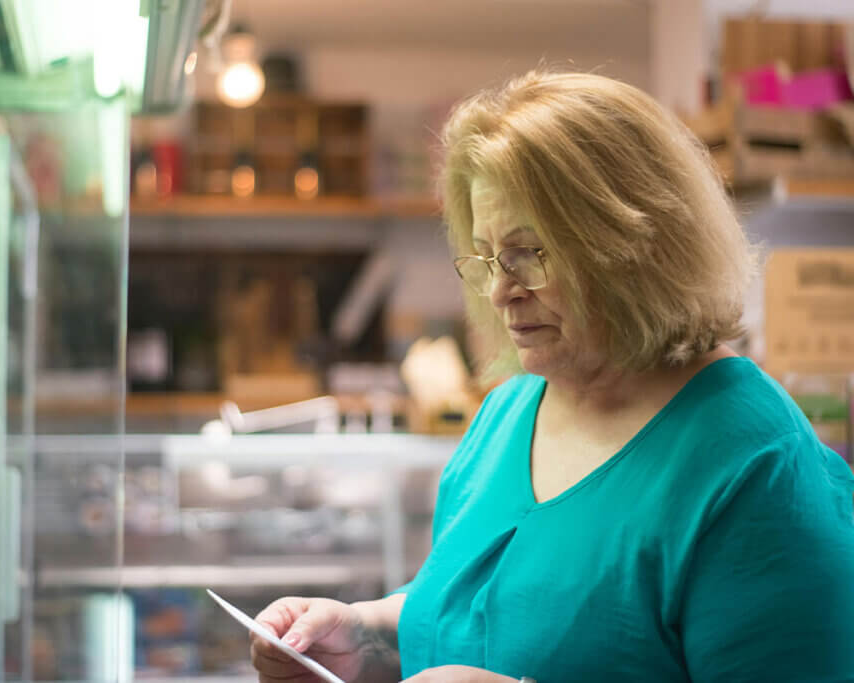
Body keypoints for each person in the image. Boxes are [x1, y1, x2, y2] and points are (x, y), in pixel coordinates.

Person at [249, 70, 854, 682]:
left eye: (528, 255)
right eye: (486, 259)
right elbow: (495, 614)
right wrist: (370, 635)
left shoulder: (757, 469)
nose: (500, 291)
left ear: (636, 245)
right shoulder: (510, 411)